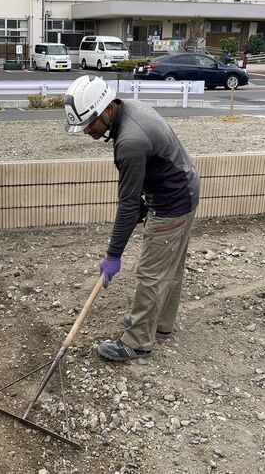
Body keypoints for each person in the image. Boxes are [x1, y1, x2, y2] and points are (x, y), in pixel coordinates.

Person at [62, 75, 200, 362]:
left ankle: (137, 341)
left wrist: (114, 255)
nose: (87, 131)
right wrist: (141, 203)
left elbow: (126, 205)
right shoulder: (129, 109)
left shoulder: (129, 141)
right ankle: (160, 325)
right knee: (169, 266)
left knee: (151, 272)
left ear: (106, 109)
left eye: (89, 123)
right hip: (183, 188)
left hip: (172, 202)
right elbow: (140, 181)